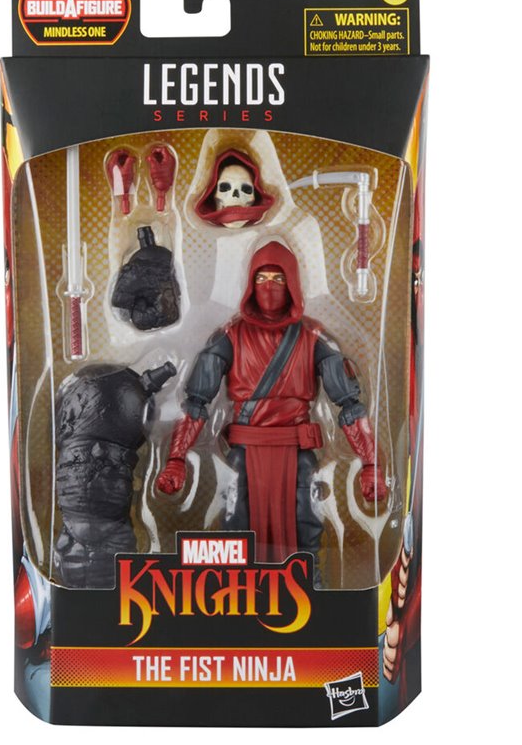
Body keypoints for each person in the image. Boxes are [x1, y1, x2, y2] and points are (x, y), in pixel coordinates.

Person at [156, 241, 386, 573]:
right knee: (238, 531)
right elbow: (196, 402)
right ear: (250, 283)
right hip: (244, 453)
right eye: (261, 278)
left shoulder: (314, 337)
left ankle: (308, 588)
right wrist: (177, 459)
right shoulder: (230, 336)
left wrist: (371, 464)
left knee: (304, 531)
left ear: (292, 283)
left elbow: (349, 406)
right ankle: (239, 592)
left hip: (297, 454)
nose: (269, 287)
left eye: (278, 279)